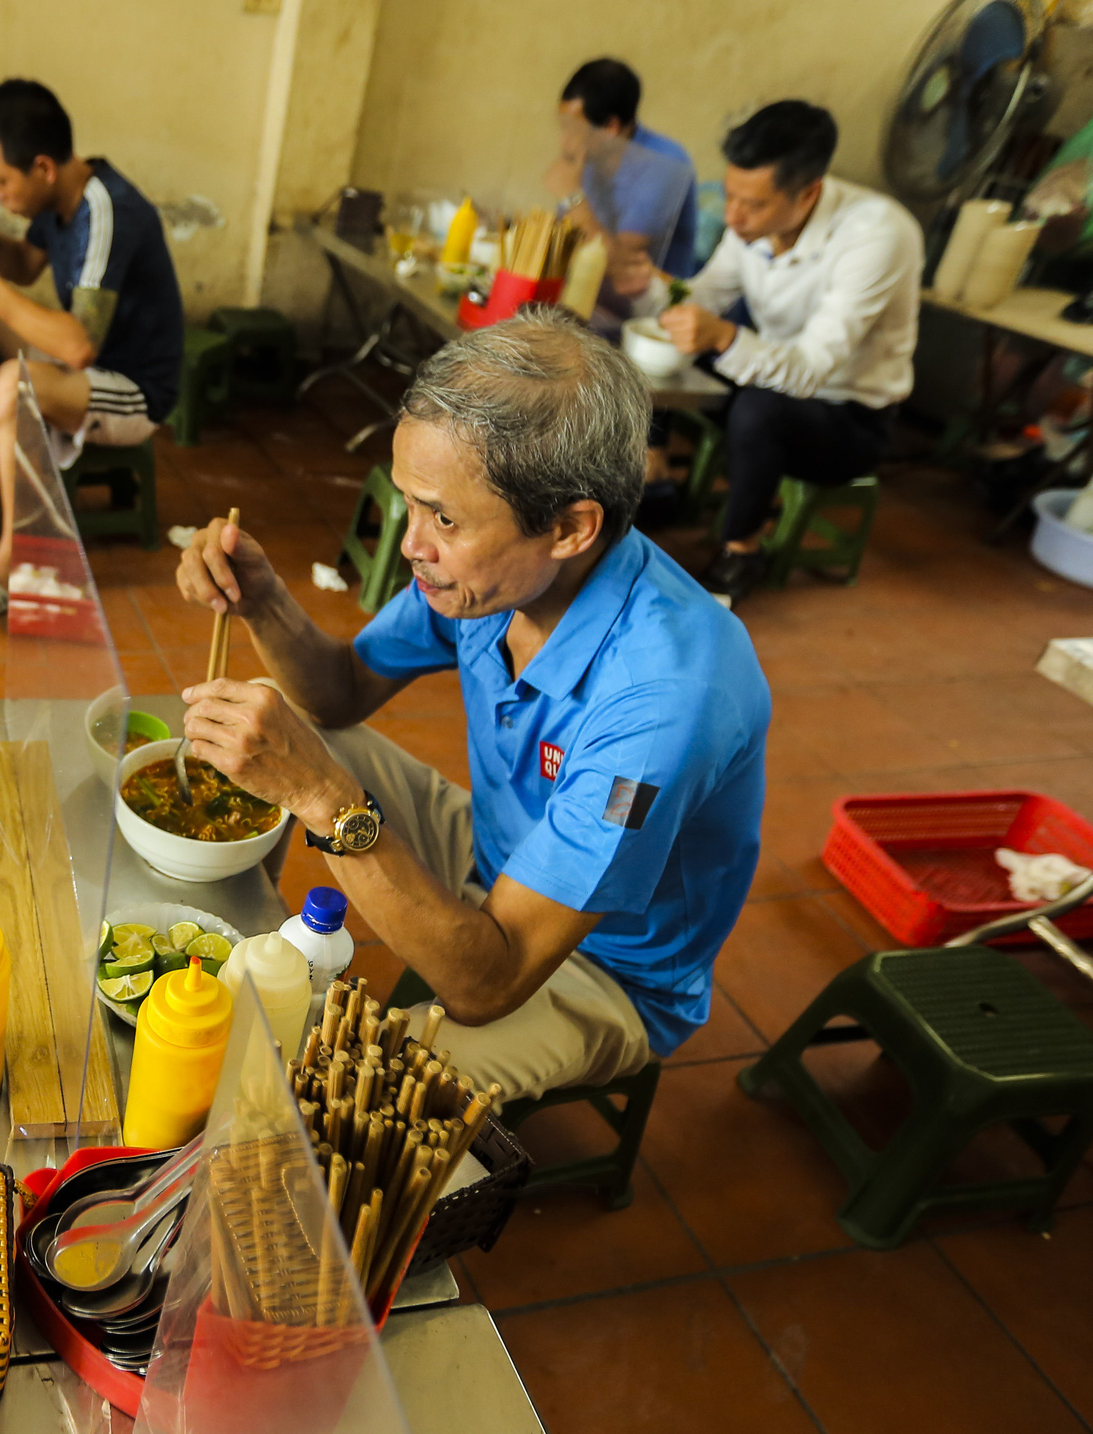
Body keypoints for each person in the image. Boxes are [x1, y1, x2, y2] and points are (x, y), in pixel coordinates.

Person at [173, 311, 769, 1102]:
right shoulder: (489, 576)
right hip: (495, 852)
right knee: (271, 717)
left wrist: (324, 798)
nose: (412, 543)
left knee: (349, 1093)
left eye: (443, 518)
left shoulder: (667, 702)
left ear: (569, 527)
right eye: (409, 504)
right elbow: (340, 692)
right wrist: (264, 601)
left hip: (604, 965)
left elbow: (490, 983)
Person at [0, 79, 184, 620]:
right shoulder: (58, 198)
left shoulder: (107, 211)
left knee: (12, 386)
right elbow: (21, 265)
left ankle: (16, 561)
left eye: (0, 181)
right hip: (83, 365)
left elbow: (79, 345)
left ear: (42, 167)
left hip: (134, 388)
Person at [657, 101, 922, 605]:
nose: (733, 218)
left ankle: (741, 551)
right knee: (657, 347)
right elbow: (705, 295)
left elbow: (808, 371)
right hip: (774, 377)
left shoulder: (878, 236)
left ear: (808, 196)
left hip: (847, 415)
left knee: (760, 407)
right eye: (730, 195)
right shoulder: (749, 223)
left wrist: (721, 337)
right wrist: (651, 291)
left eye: (752, 205)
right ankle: (653, 477)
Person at [545, 58, 700, 298]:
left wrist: (572, 196)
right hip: (595, 296)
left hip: (649, 309)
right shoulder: (590, 157)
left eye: (572, 129)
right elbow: (566, 237)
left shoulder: (664, 165)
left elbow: (618, 264)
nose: (563, 142)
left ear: (610, 128)